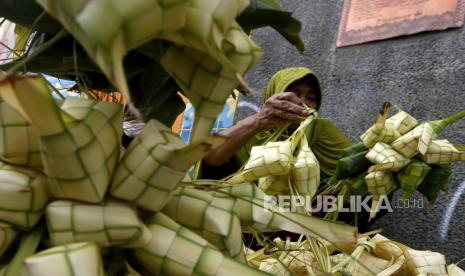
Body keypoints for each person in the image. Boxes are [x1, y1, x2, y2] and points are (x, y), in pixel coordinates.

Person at [202, 66, 353, 179]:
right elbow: (209, 157)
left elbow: (360, 163)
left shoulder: (318, 129)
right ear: (275, 95)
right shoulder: (253, 128)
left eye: (311, 98)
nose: (303, 103)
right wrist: (258, 121)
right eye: (294, 94)